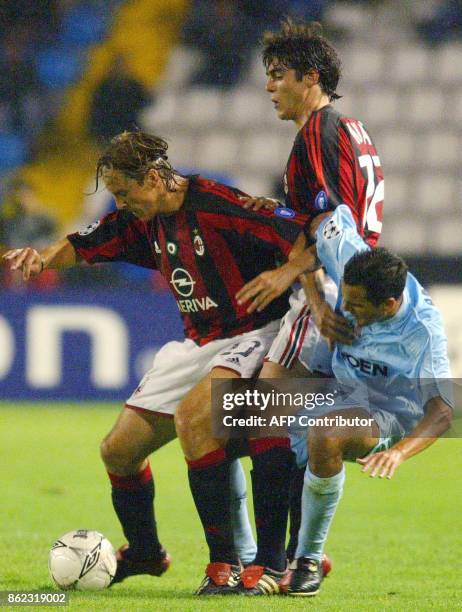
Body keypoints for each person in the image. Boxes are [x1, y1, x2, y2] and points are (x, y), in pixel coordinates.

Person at [3, 130, 307, 586]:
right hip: (199, 341)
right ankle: (146, 552)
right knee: (119, 450)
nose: (121, 203)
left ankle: (225, 564)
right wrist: (43, 260)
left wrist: (286, 274)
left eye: (125, 192)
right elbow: (84, 243)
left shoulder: (217, 204)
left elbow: (301, 231)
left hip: (256, 332)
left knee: (195, 421)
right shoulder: (138, 219)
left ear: (153, 177)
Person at [179, 17, 385, 595]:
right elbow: (321, 217)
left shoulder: (317, 132)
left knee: (261, 420)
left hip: (336, 292)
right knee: (293, 431)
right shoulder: (352, 129)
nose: (269, 87)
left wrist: (305, 288)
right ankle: (298, 560)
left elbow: (330, 225)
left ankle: (270, 564)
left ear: (309, 77)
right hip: (362, 290)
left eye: (277, 76)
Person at [284, 205, 452, 595]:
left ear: (390, 305)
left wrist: (400, 453)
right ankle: (251, 558)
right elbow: (313, 223)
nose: (350, 311)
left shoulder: (422, 332)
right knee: (246, 418)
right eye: (347, 300)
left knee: (326, 435)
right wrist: (319, 303)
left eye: (358, 307)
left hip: (387, 409)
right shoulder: (350, 256)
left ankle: (307, 558)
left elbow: (442, 410)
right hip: (338, 385)